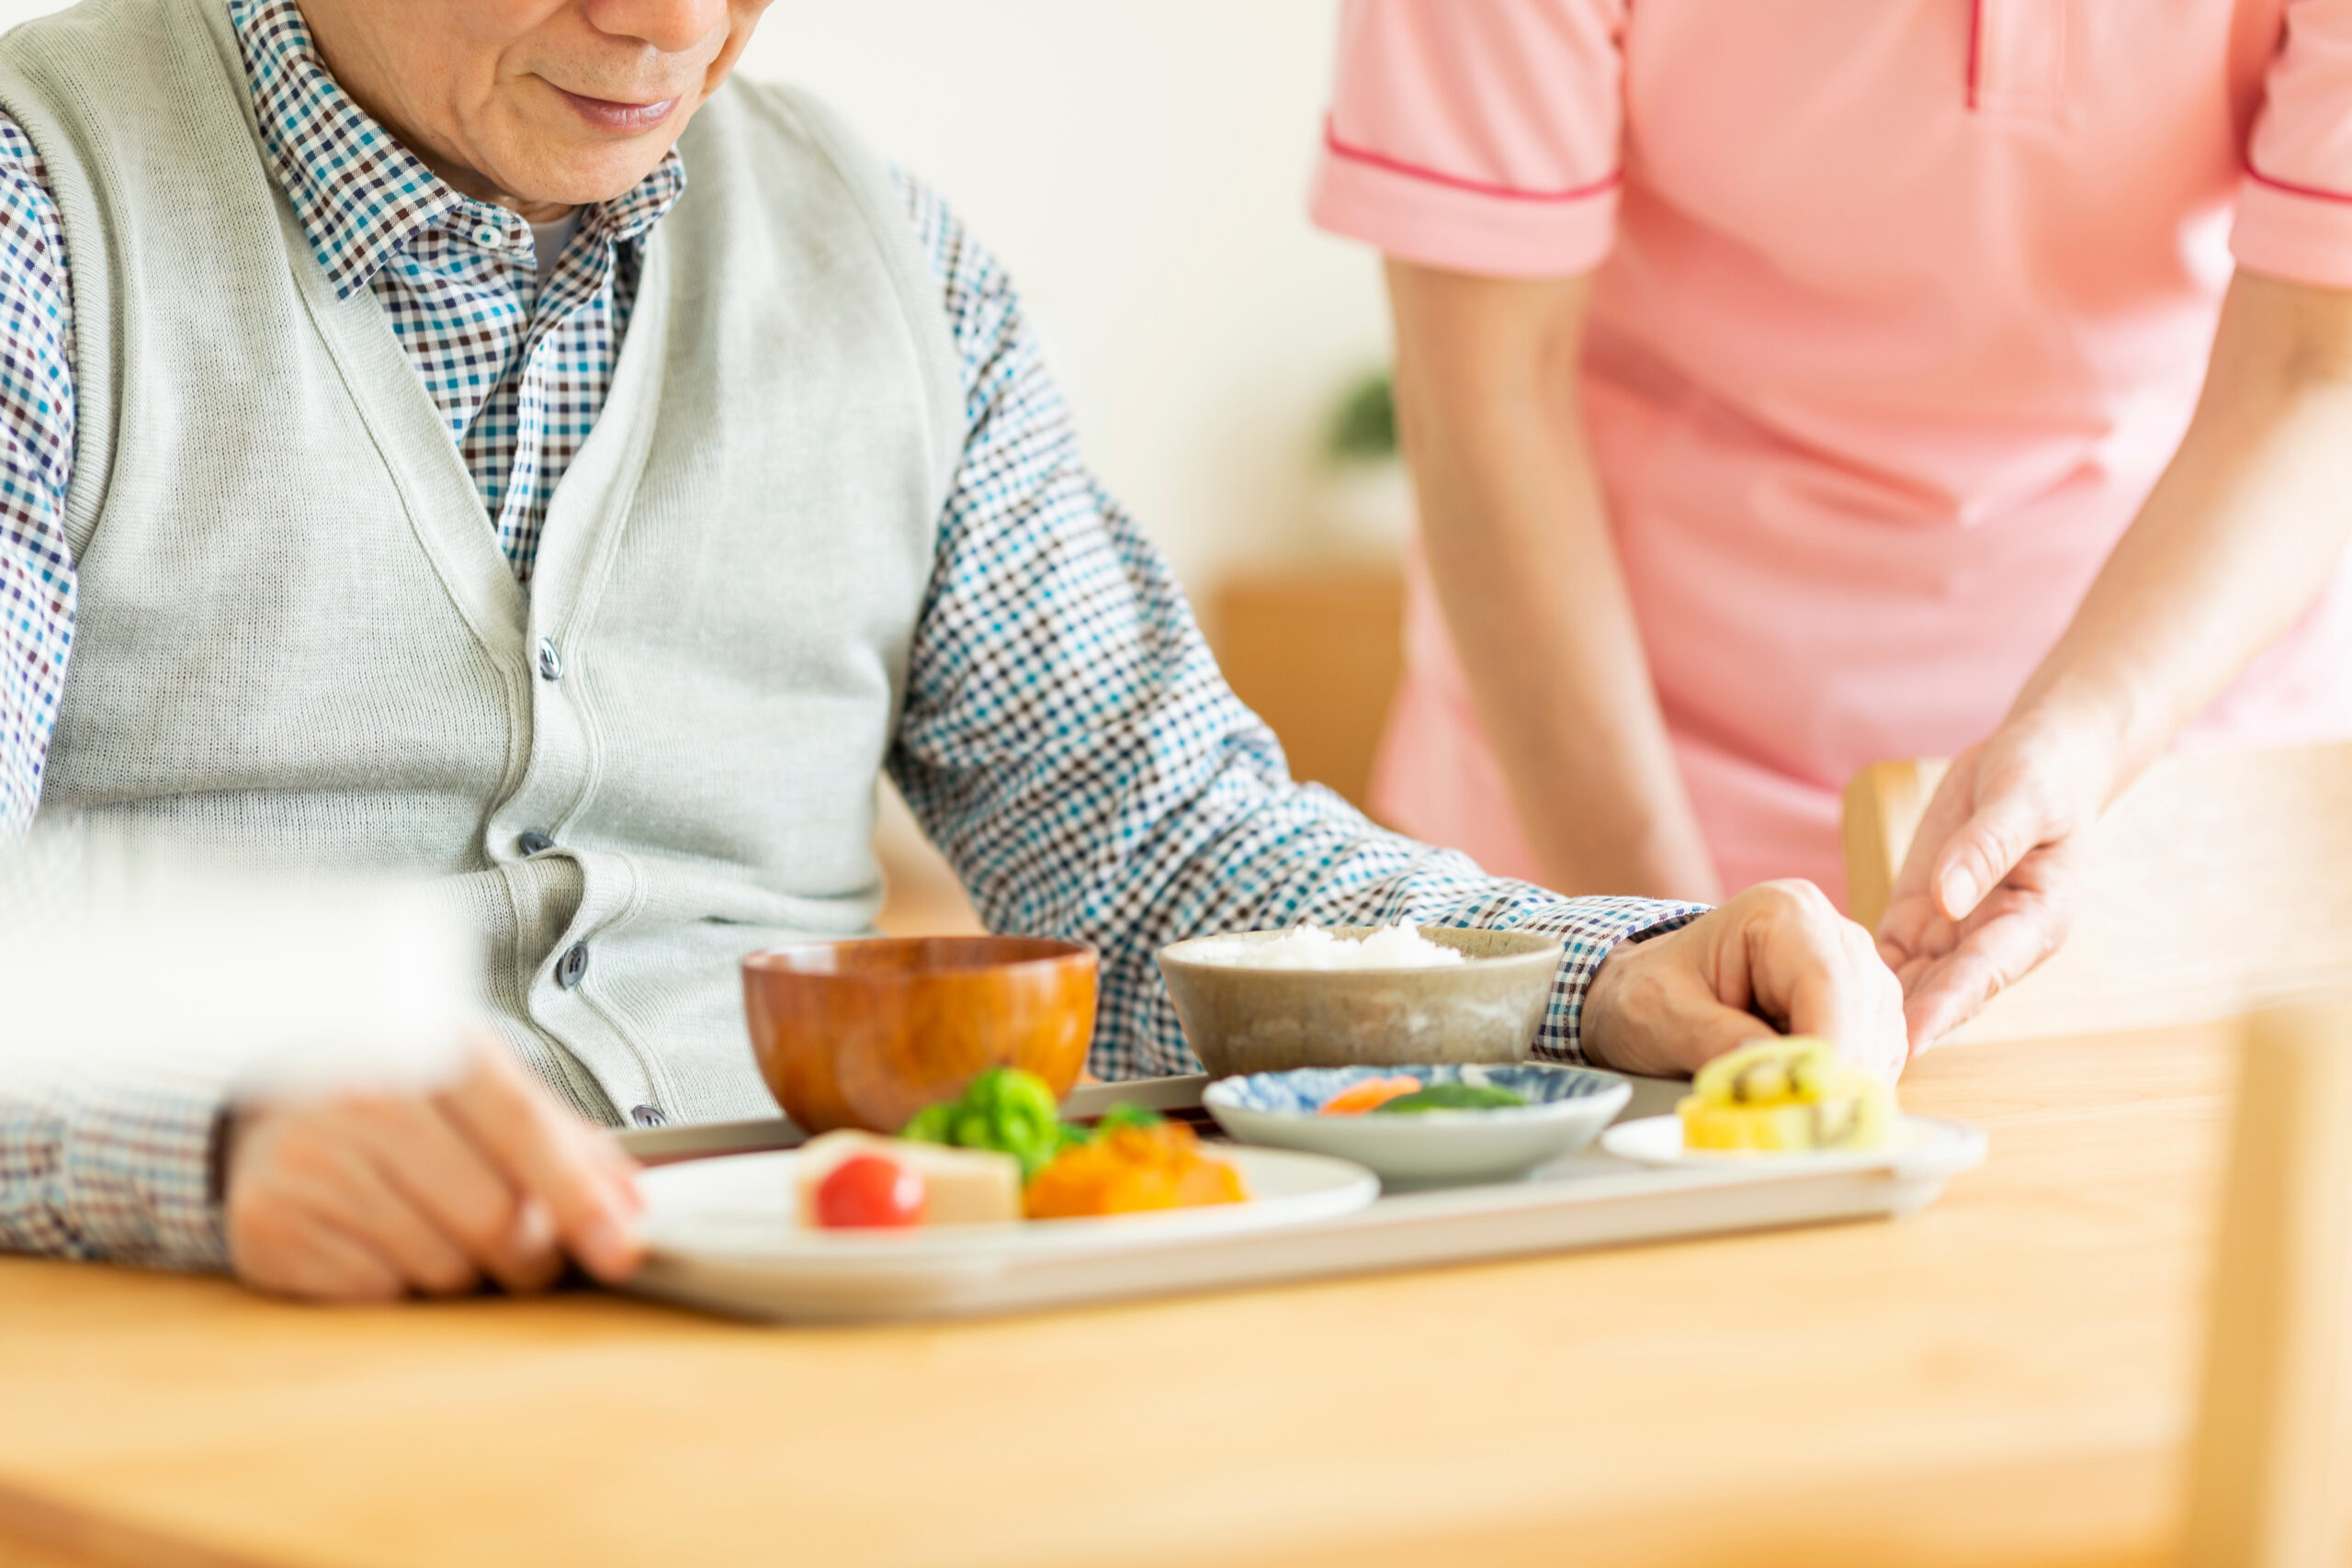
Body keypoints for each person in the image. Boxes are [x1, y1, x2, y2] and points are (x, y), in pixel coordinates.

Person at [0, 0, 1902, 1302]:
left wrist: (1595, 976)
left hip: (815, 1347)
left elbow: (1155, 851)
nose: (671, 21)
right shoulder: (38, 213)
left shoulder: (896, 276)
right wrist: (210, 1133)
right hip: (207, 1362)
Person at [1307, 0, 2352, 1046]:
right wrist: (1658, 937)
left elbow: (2314, 369)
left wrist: (2085, 741)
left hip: (2176, 779)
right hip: (1606, 786)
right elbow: (1488, 397)